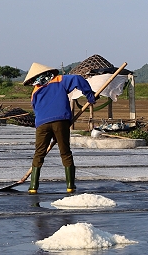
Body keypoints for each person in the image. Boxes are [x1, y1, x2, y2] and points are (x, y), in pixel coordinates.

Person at [23, 63, 95, 194]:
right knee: (65, 152)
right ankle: (70, 186)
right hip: (60, 121)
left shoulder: (35, 91)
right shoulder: (59, 79)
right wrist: (89, 94)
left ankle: (33, 186)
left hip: (42, 124)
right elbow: (78, 79)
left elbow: (36, 109)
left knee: (39, 153)